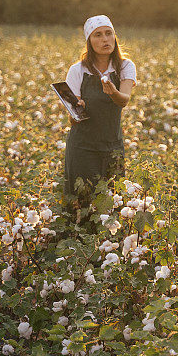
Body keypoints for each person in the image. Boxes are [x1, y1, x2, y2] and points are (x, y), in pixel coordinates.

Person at [63, 15, 136, 218]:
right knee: (80, 203)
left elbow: (124, 100)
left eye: (108, 33)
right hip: (82, 147)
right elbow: (73, 118)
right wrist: (78, 108)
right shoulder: (77, 70)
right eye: (98, 35)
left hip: (112, 145)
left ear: (115, 36)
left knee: (113, 202)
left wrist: (112, 91)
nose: (105, 39)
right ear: (89, 41)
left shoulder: (125, 67)